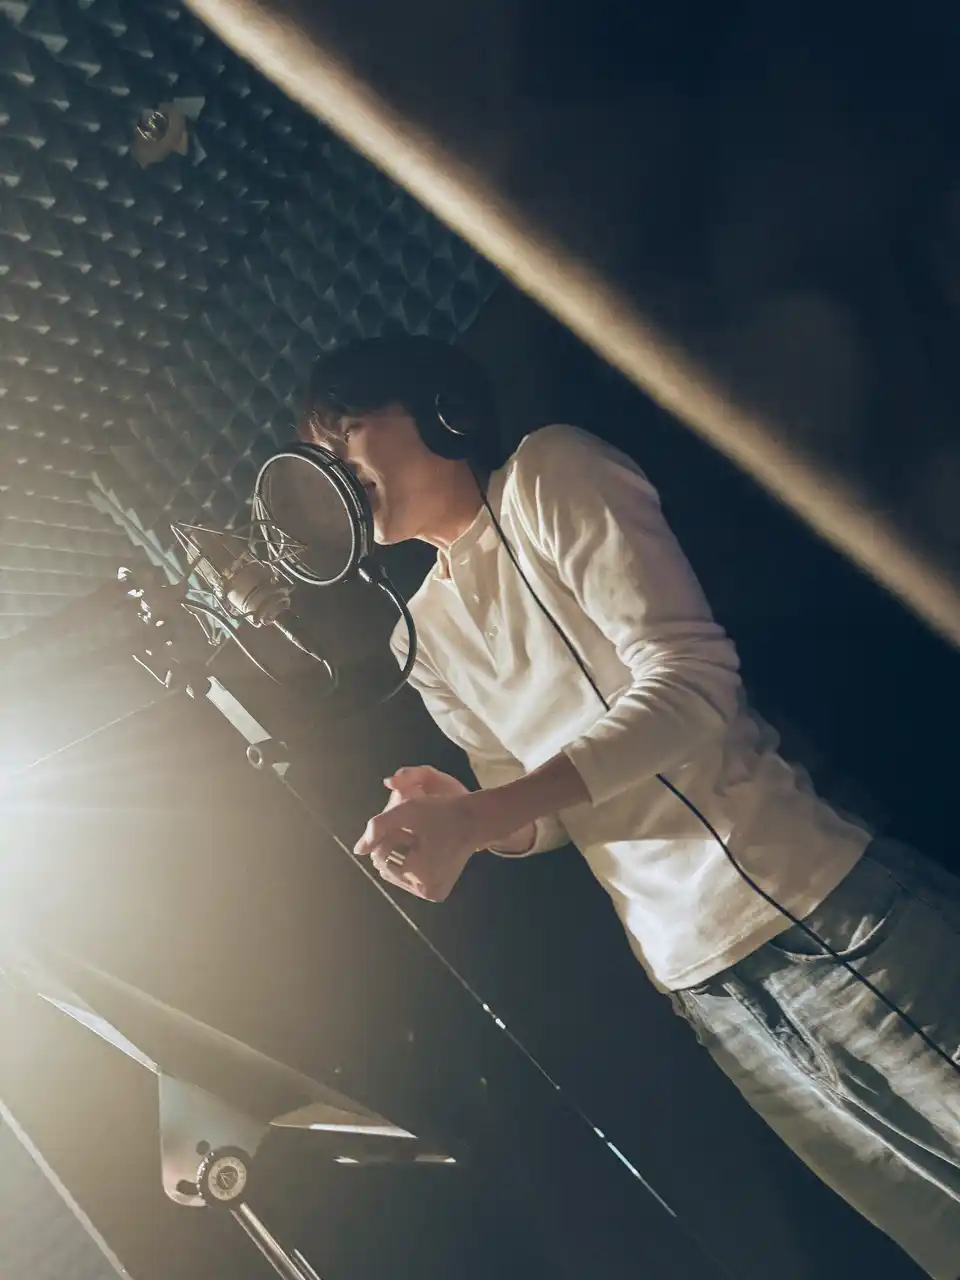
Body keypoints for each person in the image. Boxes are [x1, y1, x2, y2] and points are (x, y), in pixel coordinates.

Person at [298, 333, 960, 1278]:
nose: (337, 465)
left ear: (442, 409)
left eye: (349, 430)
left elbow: (692, 681)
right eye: (321, 450)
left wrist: (484, 816)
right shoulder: (422, 635)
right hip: (706, 992)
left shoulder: (549, 475)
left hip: (814, 908)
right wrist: (470, 819)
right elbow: (546, 817)